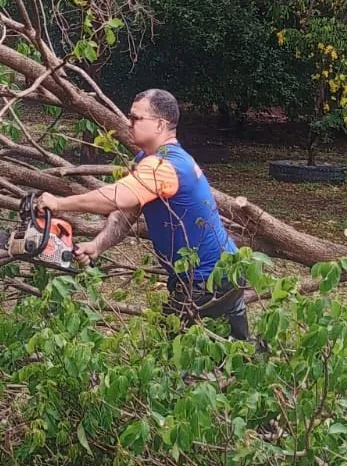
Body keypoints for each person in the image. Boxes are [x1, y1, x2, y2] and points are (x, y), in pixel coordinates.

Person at [36, 89, 251, 341]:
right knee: (235, 352)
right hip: (212, 274)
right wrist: (97, 245)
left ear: (160, 124)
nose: (129, 123)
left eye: (136, 118)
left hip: (209, 280)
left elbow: (115, 196)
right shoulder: (148, 160)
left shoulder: (165, 166)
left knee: (175, 358)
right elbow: (125, 212)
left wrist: (59, 204)